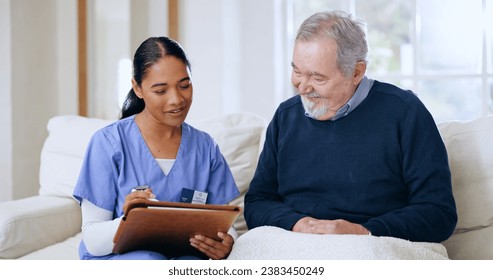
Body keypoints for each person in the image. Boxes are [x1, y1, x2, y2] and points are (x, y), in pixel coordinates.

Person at [244, 10, 457, 243]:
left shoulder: (405, 112)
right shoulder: (286, 116)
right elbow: (257, 202)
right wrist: (297, 224)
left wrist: (363, 232)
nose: (302, 87)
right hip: (294, 242)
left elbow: (438, 212)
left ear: (356, 72)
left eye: (317, 78)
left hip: (375, 244)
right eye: (297, 71)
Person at [73, 36, 240, 260]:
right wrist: (129, 219)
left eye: (184, 85)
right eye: (161, 91)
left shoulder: (205, 148)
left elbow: (223, 223)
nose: (176, 99)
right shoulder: (108, 143)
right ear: (137, 88)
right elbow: (93, 240)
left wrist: (228, 243)